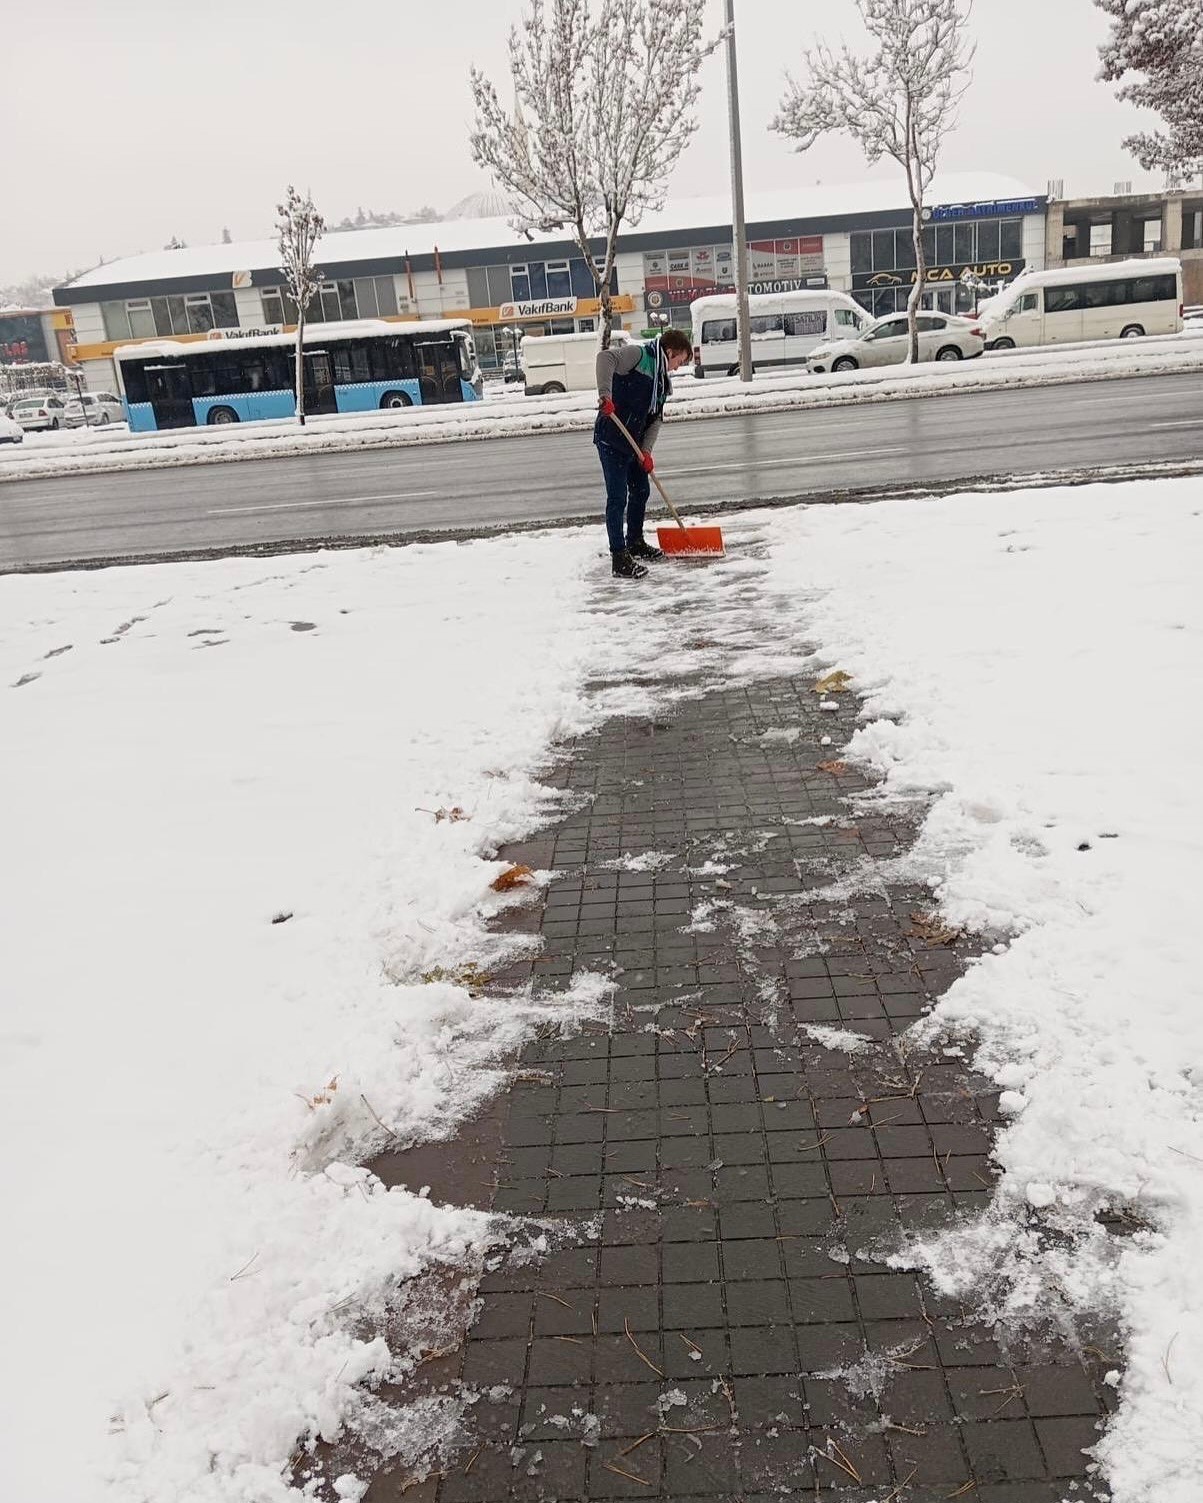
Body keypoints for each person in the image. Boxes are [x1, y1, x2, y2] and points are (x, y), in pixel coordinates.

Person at [595, 326, 693, 579]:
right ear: (669, 352)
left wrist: (646, 452)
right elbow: (605, 358)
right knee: (617, 499)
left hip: (634, 444)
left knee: (641, 490)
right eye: (679, 361)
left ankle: (635, 542)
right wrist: (605, 396)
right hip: (612, 438)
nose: (678, 368)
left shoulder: (662, 383)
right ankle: (619, 558)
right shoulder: (638, 356)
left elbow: (655, 419)